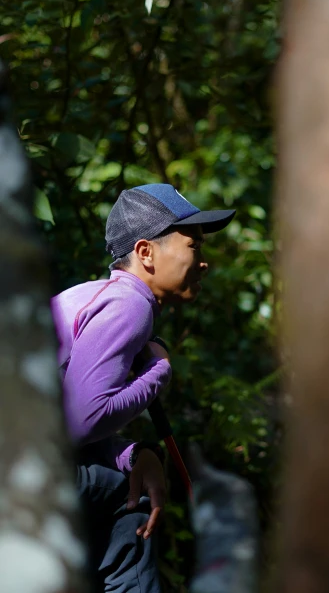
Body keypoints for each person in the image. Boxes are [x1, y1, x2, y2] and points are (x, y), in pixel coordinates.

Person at [51, 184, 235, 593]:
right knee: (129, 503)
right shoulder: (128, 305)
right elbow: (84, 421)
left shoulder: (95, 296)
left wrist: (133, 453)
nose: (203, 263)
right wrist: (159, 371)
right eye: (194, 247)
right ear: (146, 253)